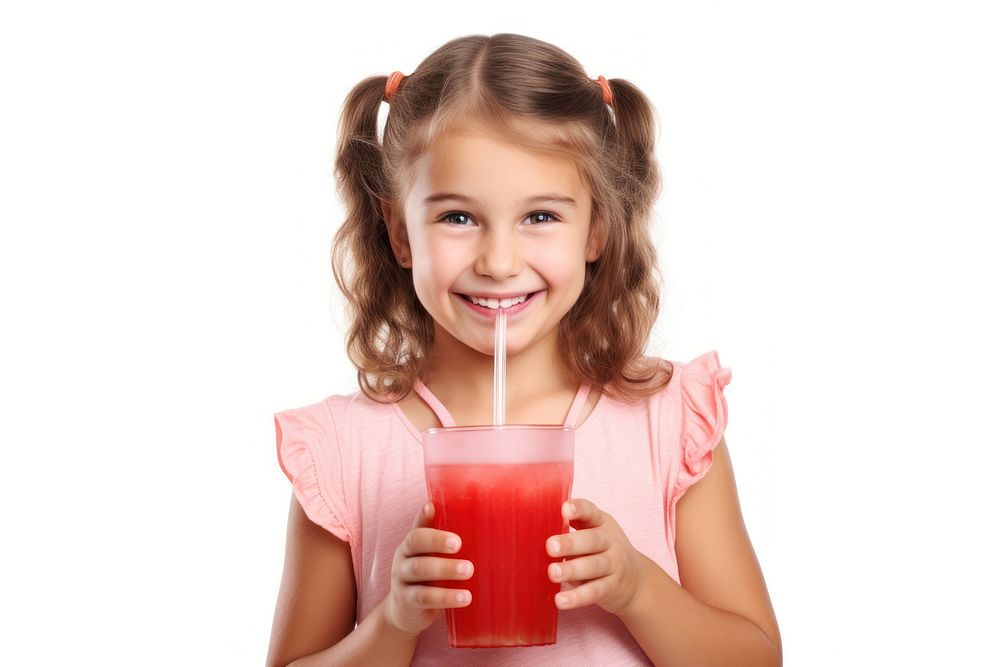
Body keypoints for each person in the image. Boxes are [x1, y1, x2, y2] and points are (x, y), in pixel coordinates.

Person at [266, 33, 781, 666]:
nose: (500, 261)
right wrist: (394, 623)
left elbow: (756, 656)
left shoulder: (666, 420)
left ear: (596, 229)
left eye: (540, 216)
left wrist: (639, 590)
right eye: (457, 217)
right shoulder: (344, 451)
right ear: (401, 234)